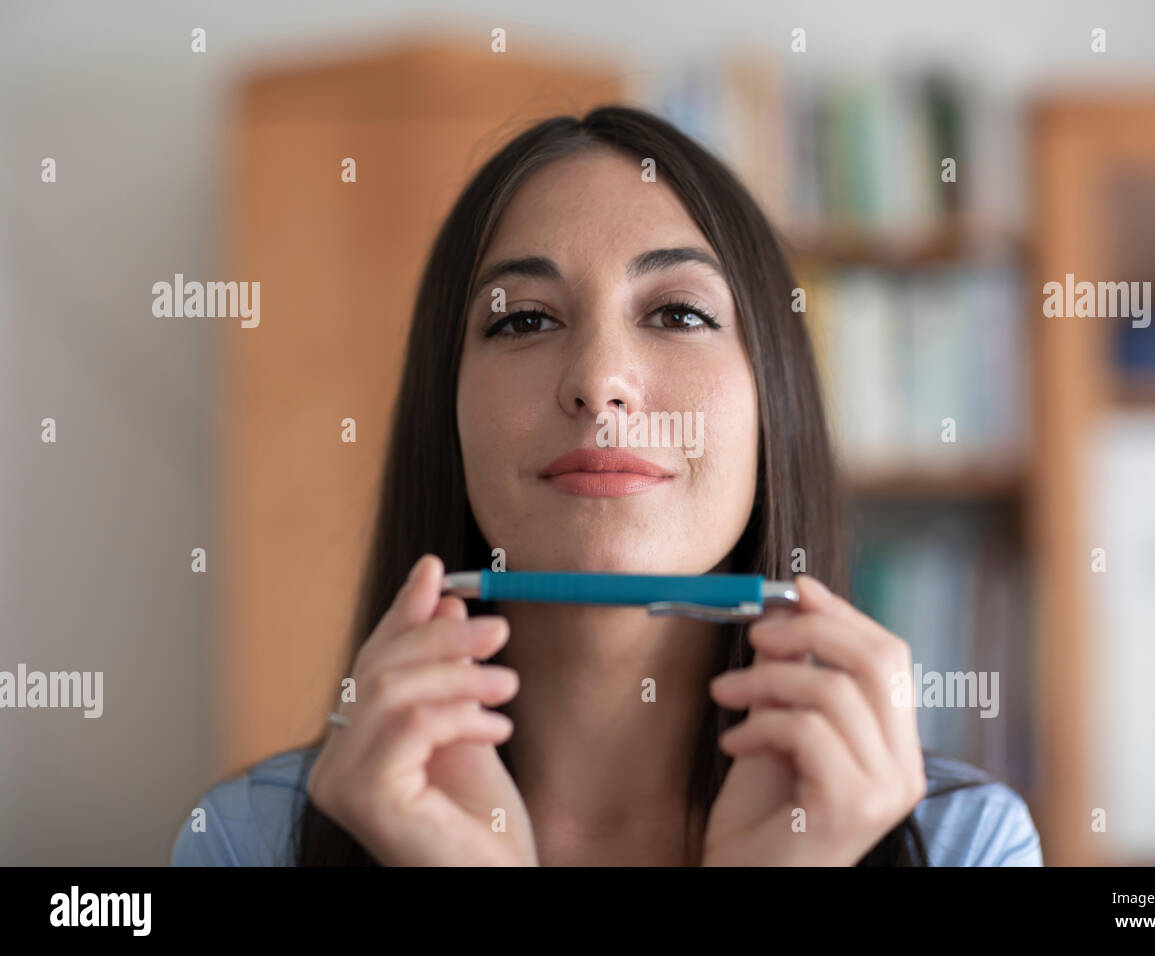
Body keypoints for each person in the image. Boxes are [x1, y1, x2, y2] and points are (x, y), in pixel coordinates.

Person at [171, 106, 1042, 866]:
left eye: (678, 313)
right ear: (448, 409)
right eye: (524, 319)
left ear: (774, 401)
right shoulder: (247, 840)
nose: (599, 380)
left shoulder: (970, 845)